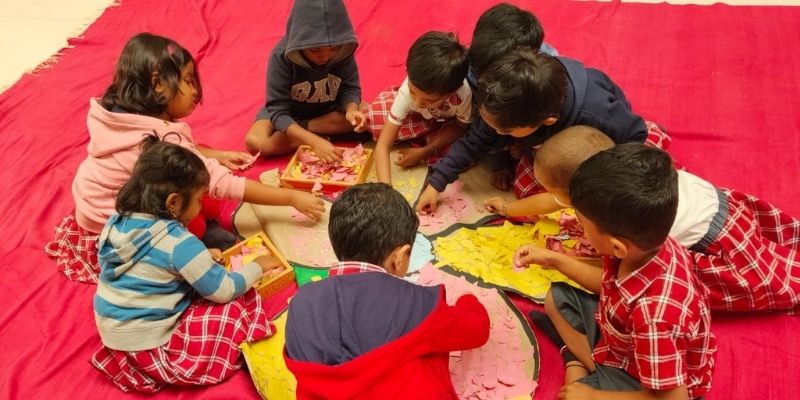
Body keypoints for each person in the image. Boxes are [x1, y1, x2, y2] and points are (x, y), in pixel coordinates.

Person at [45, 32, 324, 284]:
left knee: (201, 199)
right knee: (199, 214)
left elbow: (175, 149)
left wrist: (216, 154)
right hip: (115, 230)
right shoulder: (160, 141)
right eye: (188, 81)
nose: (194, 91)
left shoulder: (119, 115)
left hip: (90, 206)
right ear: (158, 85)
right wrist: (291, 197)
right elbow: (222, 184)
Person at [498, 126, 800, 312]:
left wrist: (557, 259)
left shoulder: (631, 232)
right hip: (721, 206)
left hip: (719, 248)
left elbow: (617, 282)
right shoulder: (626, 166)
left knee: (785, 283)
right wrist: (510, 210)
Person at [514, 144, 716, 398]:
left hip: (652, 383)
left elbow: (674, 398)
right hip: (622, 343)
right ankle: (588, 368)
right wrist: (554, 259)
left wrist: (593, 397)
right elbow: (608, 284)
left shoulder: (656, 317)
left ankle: (580, 366)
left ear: (617, 246)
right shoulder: (646, 245)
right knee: (556, 299)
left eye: (584, 225)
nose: (580, 230)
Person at [90, 138, 283, 393]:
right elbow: (223, 290)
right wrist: (257, 266)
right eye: (200, 199)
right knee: (236, 305)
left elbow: (154, 260)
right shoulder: (180, 243)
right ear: (173, 202)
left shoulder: (118, 221)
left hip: (115, 335)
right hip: (151, 346)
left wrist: (200, 256)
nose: (202, 205)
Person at [284, 183, 490, 398]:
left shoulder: (301, 302)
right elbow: (476, 330)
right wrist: (468, 301)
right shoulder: (416, 304)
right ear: (399, 257)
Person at [416, 49, 670, 214]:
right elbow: (475, 140)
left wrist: (600, 182)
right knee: (524, 185)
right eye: (488, 122)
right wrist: (436, 184)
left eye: (502, 129)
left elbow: (635, 137)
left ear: (547, 121)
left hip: (598, 143)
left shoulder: (598, 115)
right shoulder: (502, 103)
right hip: (547, 140)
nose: (491, 130)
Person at [244, 0, 368, 164]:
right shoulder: (280, 56)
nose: (325, 56)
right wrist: (314, 142)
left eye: (334, 49)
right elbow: (278, 110)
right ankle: (315, 134)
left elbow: (350, 88)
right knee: (255, 142)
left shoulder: (343, 49)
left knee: (368, 115)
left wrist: (351, 109)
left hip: (329, 109)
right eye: (315, 49)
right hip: (289, 114)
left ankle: (305, 132)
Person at [367, 31, 472, 183]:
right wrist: (386, 188)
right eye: (413, 92)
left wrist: (424, 152)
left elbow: (460, 128)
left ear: (449, 93)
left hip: (448, 125)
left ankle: (424, 138)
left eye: (428, 100)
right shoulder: (406, 94)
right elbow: (383, 145)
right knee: (375, 118)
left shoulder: (463, 95)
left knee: (462, 155)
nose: (417, 102)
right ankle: (424, 134)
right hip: (418, 119)